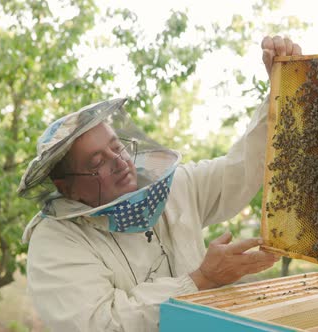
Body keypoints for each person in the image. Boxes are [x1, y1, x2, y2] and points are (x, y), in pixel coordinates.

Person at [19, 36, 302, 331]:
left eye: (116, 147)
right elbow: (100, 324)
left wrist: (282, 91)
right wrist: (201, 280)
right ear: (67, 187)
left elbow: (240, 168)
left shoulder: (174, 187)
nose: (118, 161)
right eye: (96, 162)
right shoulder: (56, 241)